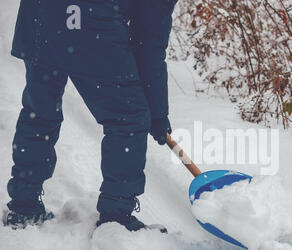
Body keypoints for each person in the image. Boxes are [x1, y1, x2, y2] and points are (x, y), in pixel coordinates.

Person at [3, 0, 178, 231]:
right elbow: (147, 42)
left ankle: (24, 205)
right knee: (128, 118)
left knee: (40, 112)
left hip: (40, 16)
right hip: (88, 21)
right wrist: (157, 113)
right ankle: (116, 220)